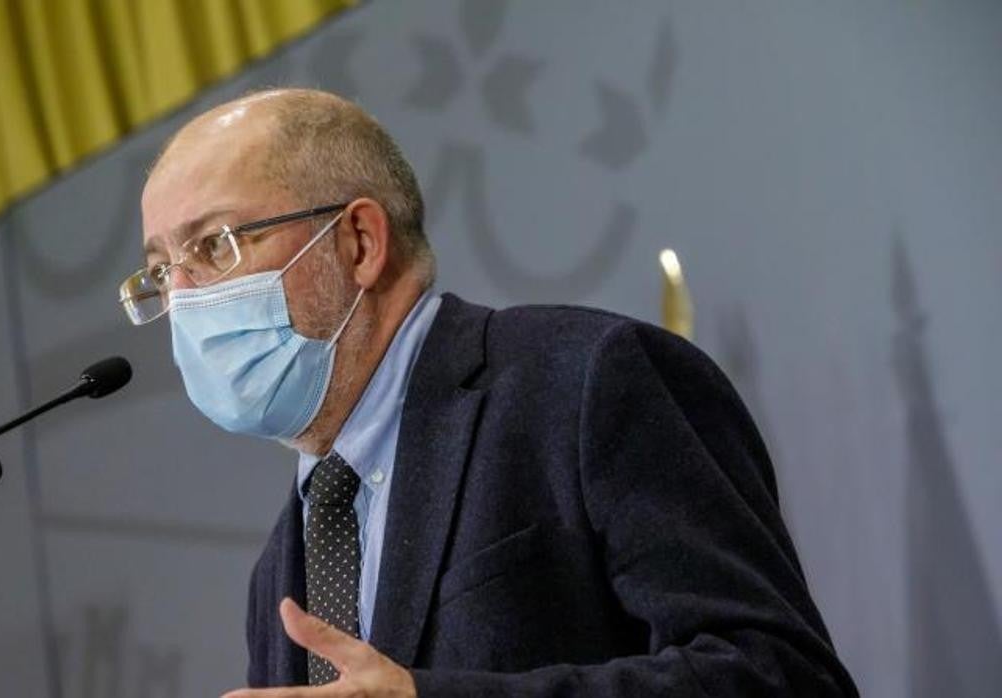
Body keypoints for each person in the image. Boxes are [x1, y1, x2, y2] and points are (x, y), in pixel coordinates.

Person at [121, 88, 858, 697]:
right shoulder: (281, 566)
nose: (183, 299)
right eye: (161, 272)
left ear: (358, 243)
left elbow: (780, 678)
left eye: (214, 245)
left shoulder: (585, 382)